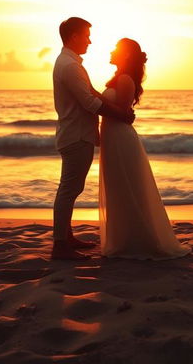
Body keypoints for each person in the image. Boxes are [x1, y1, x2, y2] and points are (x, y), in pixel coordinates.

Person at [99, 38, 190, 260]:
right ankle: (124, 239)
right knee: (118, 187)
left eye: (116, 49)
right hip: (113, 138)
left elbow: (121, 113)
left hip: (121, 139)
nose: (111, 51)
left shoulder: (125, 79)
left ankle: (136, 241)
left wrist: (91, 95)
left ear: (126, 55)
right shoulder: (118, 78)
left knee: (126, 187)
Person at [51, 17, 134, 260]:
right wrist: (122, 114)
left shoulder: (70, 63)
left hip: (75, 133)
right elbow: (89, 102)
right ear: (74, 36)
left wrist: (120, 112)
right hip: (77, 135)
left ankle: (66, 238)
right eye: (86, 35)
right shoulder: (69, 66)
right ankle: (60, 244)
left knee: (72, 187)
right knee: (69, 189)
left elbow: (90, 93)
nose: (90, 40)